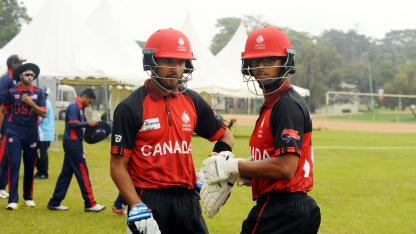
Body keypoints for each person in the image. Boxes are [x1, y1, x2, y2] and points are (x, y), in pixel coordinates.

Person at [110, 28, 234, 234]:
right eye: (168, 61)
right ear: (151, 62)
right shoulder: (130, 107)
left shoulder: (192, 100)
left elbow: (226, 136)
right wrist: (137, 207)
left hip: (187, 201)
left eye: (181, 62)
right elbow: (117, 166)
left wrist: (212, 167)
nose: (175, 68)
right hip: (149, 199)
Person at [202, 26, 321, 233]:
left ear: (285, 62)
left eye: (269, 61)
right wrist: (244, 175)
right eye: (255, 62)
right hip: (285, 207)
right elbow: (273, 162)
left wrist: (234, 166)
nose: (261, 68)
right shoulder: (272, 104)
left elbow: (285, 168)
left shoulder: (286, 105)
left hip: (283, 209)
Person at [47, 88, 106, 212]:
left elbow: (81, 124)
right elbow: (72, 123)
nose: (89, 104)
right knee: (83, 172)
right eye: (89, 101)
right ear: (84, 96)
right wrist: (88, 124)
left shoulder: (79, 108)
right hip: (72, 143)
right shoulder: (74, 106)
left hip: (74, 143)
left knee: (66, 174)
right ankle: (90, 203)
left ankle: (54, 202)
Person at [0, 63, 46, 210]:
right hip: (14, 131)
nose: (29, 77)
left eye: (32, 75)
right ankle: (13, 200)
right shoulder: (12, 92)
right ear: (20, 76)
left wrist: (31, 103)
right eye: (27, 74)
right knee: (14, 164)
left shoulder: (38, 92)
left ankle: (28, 197)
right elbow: (3, 110)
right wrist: (1, 130)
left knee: (29, 165)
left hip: (31, 132)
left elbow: (43, 113)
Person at [0, 55, 26, 199]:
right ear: (12, 64)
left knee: (9, 155)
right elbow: (1, 105)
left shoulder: (14, 78)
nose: (22, 65)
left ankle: (2, 185)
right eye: (20, 62)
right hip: (6, 121)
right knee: (3, 154)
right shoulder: (7, 79)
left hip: (13, 121)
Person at [35, 87, 54, 179]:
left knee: (42, 152)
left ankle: (43, 172)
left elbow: (40, 118)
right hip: (46, 133)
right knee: (39, 151)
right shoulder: (47, 102)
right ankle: (41, 170)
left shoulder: (45, 103)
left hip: (44, 133)